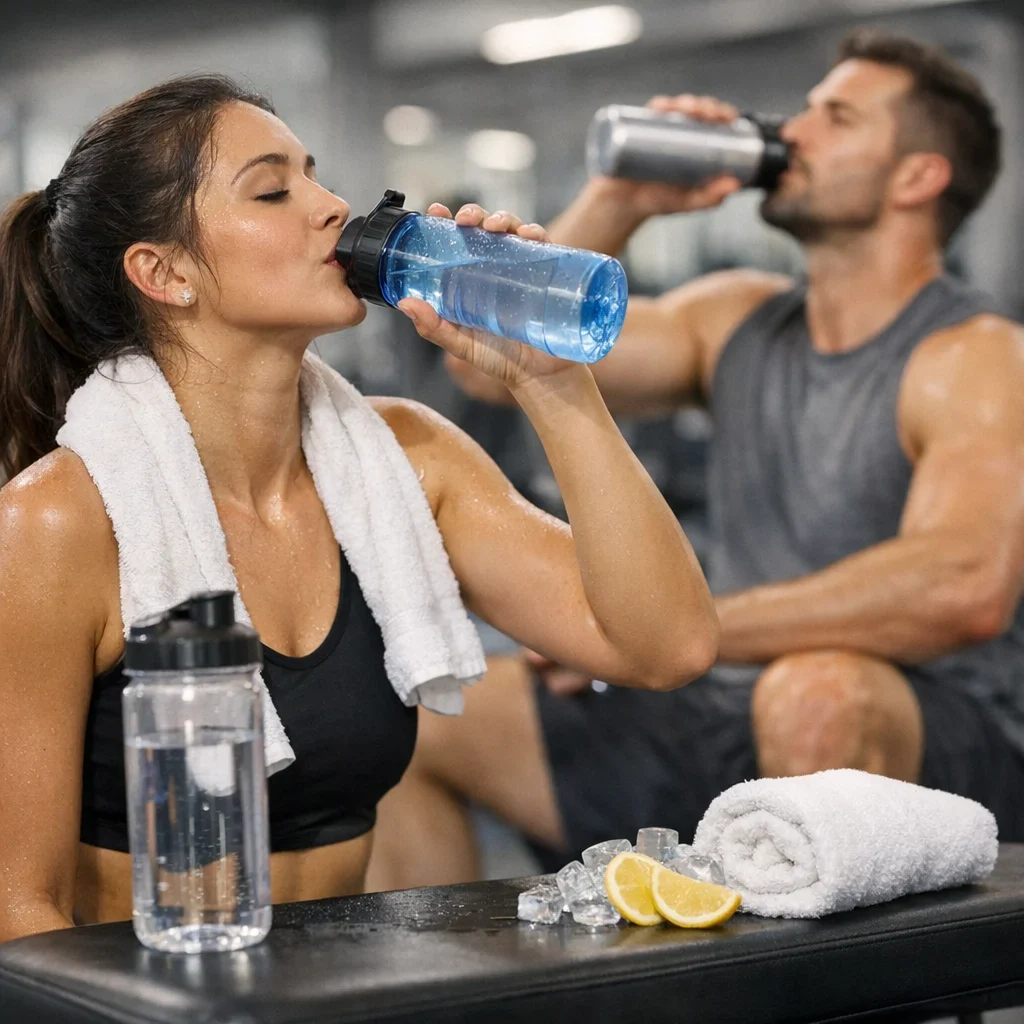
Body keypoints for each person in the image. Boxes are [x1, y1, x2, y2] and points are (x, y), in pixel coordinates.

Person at [0, 75, 719, 942]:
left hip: (342, 992)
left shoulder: (405, 459)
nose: (333, 206)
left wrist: (553, 382)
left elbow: (665, 645)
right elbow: (17, 910)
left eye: (315, 176)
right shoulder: (58, 523)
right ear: (165, 272)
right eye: (273, 190)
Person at [366, 27, 1024, 891]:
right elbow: (490, 360)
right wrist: (621, 196)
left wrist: (685, 634)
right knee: (419, 723)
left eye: (838, 117)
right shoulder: (734, 319)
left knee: (815, 691)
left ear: (917, 176)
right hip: (724, 707)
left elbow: (964, 588)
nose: (797, 131)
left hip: (932, 731)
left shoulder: (978, 355)